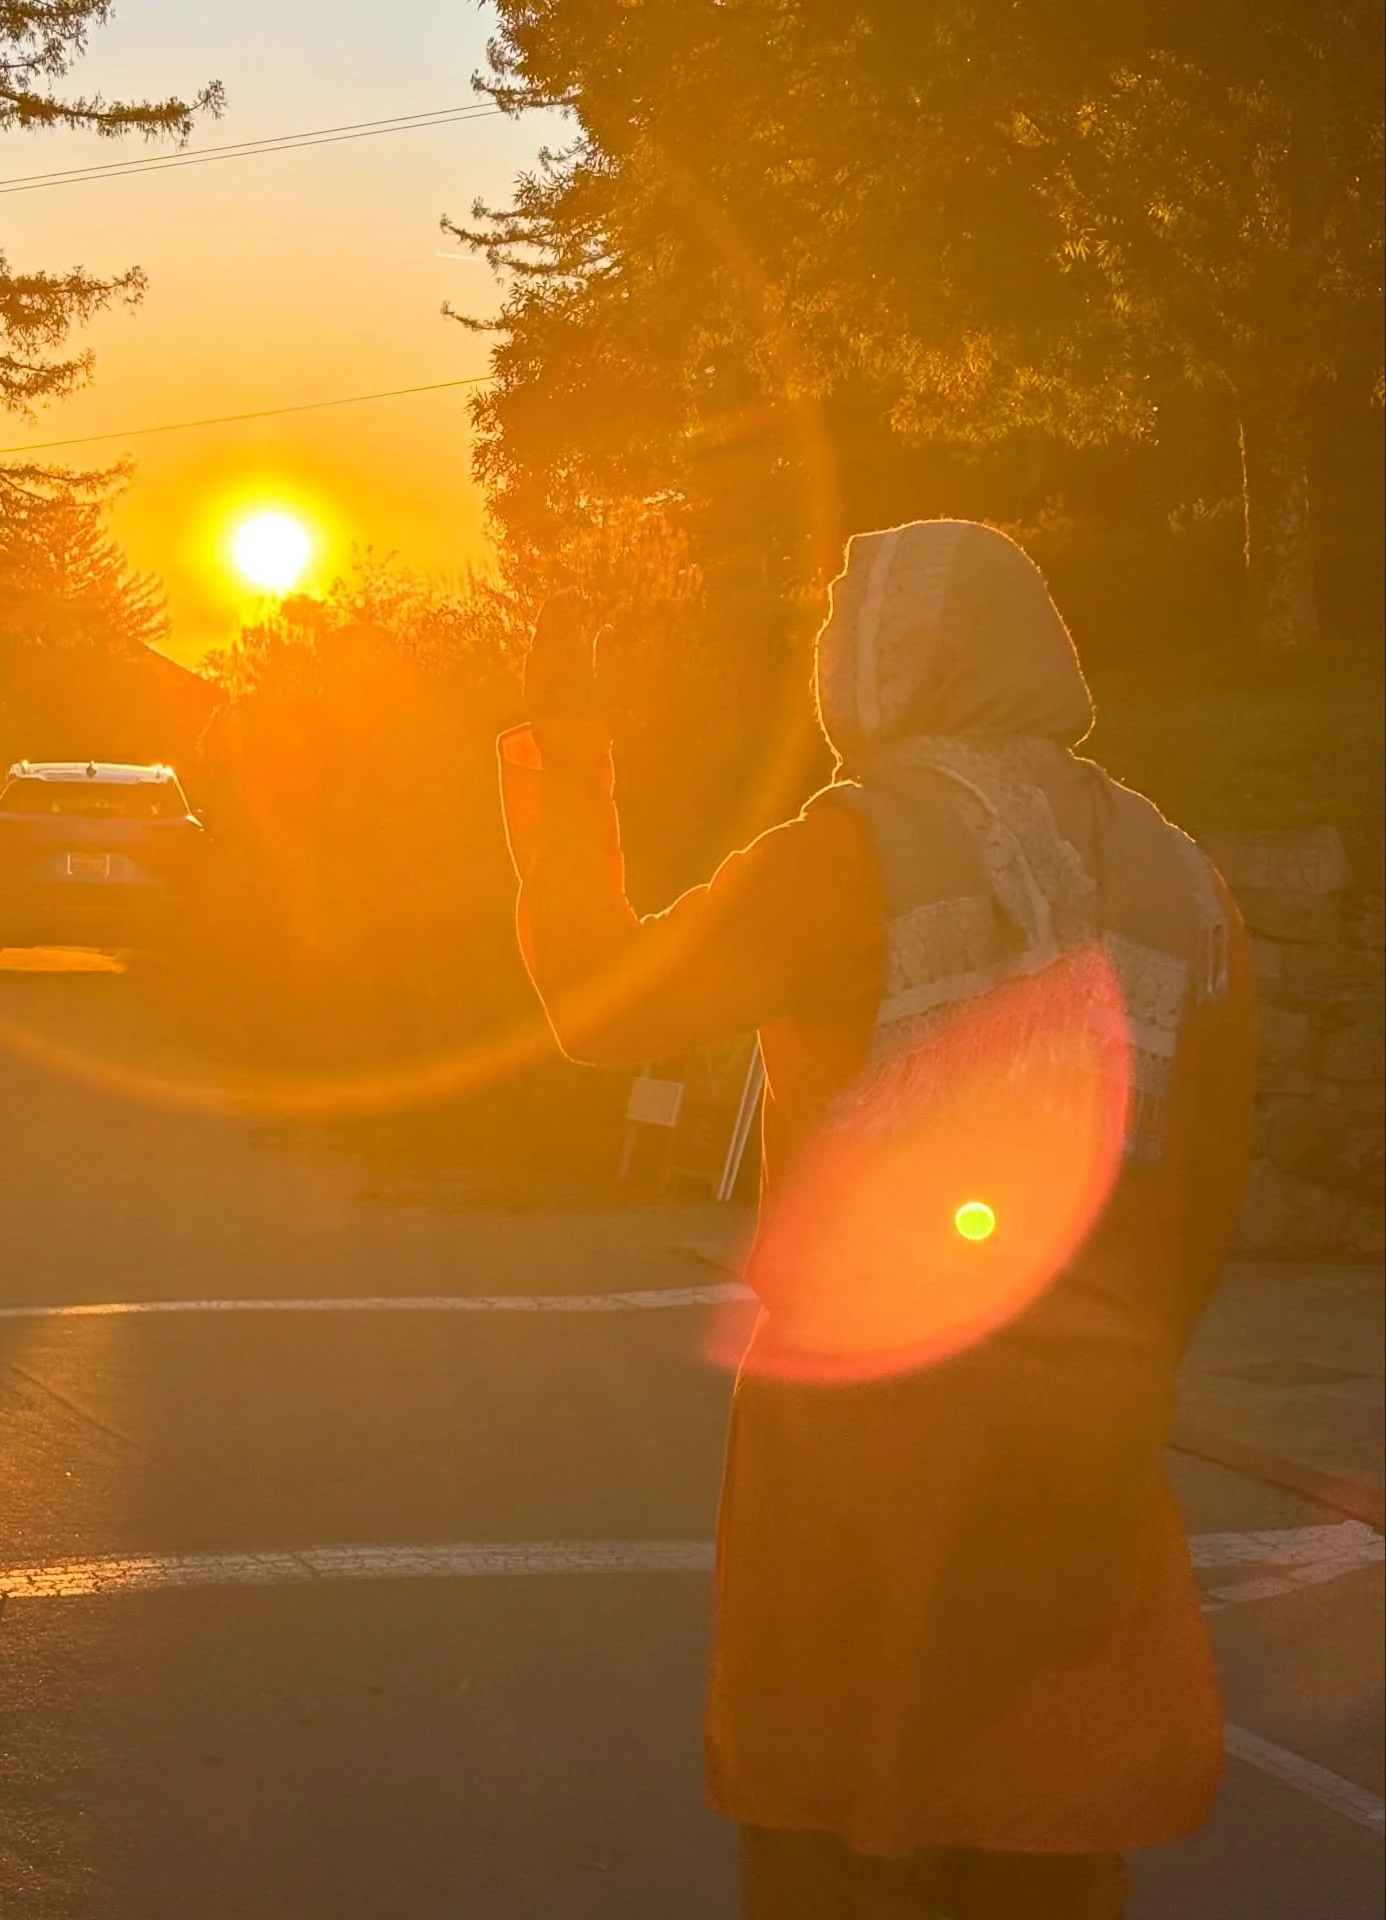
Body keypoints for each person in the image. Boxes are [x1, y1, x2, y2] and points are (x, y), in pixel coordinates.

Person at [498, 519, 1255, 1919]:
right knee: (1045, 1826)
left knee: (833, 1823)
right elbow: (1202, 1194)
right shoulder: (1177, 875)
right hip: (1086, 1450)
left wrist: (570, 753)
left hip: (866, 1450)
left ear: (882, 666)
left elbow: (605, 1001)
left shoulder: (853, 851)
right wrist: (1125, 1376)